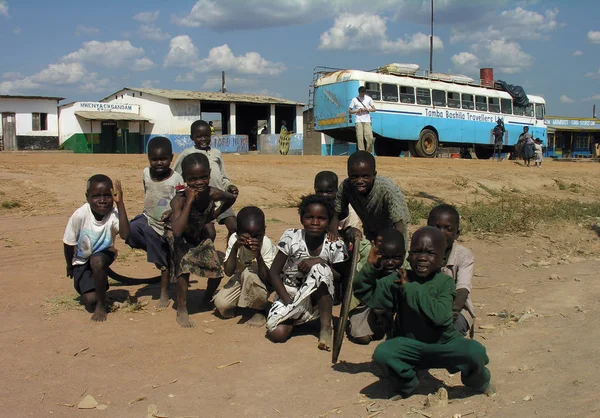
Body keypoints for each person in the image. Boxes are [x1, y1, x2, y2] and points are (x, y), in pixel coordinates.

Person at [354, 226, 494, 398]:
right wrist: (370, 268)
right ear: (408, 255)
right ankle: (407, 384)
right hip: (410, 346)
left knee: (475, 352)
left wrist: (409, 288)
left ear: (442, 260)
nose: (421, 258)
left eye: (429, 253)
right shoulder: (398, 279)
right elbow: (367, 294)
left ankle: (478, 382)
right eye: (416, 252)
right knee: (383, 354)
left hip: (444, 344)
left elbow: (441, 317)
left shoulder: (445, 282)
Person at [266, 194, 349, 351]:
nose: (315, 222)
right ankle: (300, 319)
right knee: (277, 334)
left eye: (321, 218)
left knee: (320, 269)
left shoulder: (335, 244)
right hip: (290, 294)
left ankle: (325, 329)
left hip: (317, 299)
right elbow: (274, 273)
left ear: (329, 220)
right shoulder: (291, 237)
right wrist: (287, 301)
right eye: (310, 217)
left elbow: (340, 276)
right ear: (301, 219)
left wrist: (320, 262)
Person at [166, 153, 236, 328]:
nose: (199, 182)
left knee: (217, 272)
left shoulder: (212, 193)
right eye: (193, 179)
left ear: (209, 174)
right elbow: (176, 231)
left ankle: (206, 298)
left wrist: (215, 214)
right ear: (185, 179)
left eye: (204, 177)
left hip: (199, 237)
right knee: (183, 269)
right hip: (181, 239)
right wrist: (189, 202)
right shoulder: (180, 200)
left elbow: (230, 198)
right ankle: (182, 308)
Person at [63, 175, 130, 322]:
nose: (102, 200)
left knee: (97, 261)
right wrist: (69, 265)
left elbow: (125, 235)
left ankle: (101, 305)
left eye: (107, 195)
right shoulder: (80, 215)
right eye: (96, 196)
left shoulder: (113, 214)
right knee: (89, 300)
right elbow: (68, 243)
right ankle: (97, 293)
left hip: (104, 254)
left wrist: (120, 204)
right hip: (81, 260)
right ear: (87, 197)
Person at [125, 137, 183, 308]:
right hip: (148, 218)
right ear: (148, 158)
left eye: (163, 159)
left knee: (162, 262)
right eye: (154, 159)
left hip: (166, 224)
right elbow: (147, 191)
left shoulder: (176, 179)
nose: (159, 163)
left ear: (171, 158)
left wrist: (172, 212)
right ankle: (159, 253)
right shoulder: (145, 173)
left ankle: (164, 293)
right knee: (130, 230)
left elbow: (181, 201)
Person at [329, 151, 411, 254]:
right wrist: (334, 235)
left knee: (394, 260)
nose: (359, 181)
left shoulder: (386, 190)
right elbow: (337, 214)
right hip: (370, 227)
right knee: (372, 259)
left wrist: (395, 247)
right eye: (354, 177)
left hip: (393, 229)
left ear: (374, 175)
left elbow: (399, 225)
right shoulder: (346, 187)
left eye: (365, 176)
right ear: (348, 174)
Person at [173, 120, 239, 241]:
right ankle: (206, 256)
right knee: (209, 234)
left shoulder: (216, 153)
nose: (203, 139)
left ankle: (230, 256)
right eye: (199, 136)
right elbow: (176, 178)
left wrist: (229, 186)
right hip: (199, 202)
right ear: (192, 137)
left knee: (234, 227)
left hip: (218, 197)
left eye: (207, 136)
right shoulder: (187, 154)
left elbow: (223, 177)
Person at [213, 206, 277, 327]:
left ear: (264, 231)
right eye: (247, 236)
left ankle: (259, 310)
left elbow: (268, 279)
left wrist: (258, 255)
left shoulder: (266, 244)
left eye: (257, 236)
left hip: (262, 280)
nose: (252, 240)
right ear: (238, 232)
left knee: (249, 273)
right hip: (240, 277)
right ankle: (247, 302)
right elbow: (228, 271)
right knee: (221, 305)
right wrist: (234, 249)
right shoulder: (234, 240)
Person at [314, 170, 368, 303]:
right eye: (320, 191)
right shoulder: (314, 207)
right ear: (314, 189)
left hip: (344, 256)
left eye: (329, 191)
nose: (324, 196)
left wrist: (340, 234)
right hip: (322, 254)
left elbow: (354, 233)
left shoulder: (348, 209)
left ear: (337, 191)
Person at [347, 229, 401, 344]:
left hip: (392, 303)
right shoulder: (369, 252)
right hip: (364, 302)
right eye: (385, 257)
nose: (390, 262)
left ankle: (388, 320)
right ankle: (379, 322)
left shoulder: (405, 264)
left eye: (396, 258)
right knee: (362, 338)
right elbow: (359, 287)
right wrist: (351, 232)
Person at [427, 204, 475, 336]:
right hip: (426, 307)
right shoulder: (420, 252)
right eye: (436, 227)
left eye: (448, 228)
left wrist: (446, 312)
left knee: (451, 330)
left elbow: (462, 289)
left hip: (455, 310)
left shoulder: (463, 255)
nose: (441, 233)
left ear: (456, 234)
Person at [349, 86, 376, 153]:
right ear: (359, 92)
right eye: (361, 92)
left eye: (363, 92)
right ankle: (361, 152)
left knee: (369, 137)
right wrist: (357, 110)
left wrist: (368, 109)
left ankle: (369, 152)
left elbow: (374, 109)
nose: (362, 94)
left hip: (367, 120)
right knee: (360, 137)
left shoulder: (369, 99)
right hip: (358, 120)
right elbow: (350, 111)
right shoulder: (354, 100)